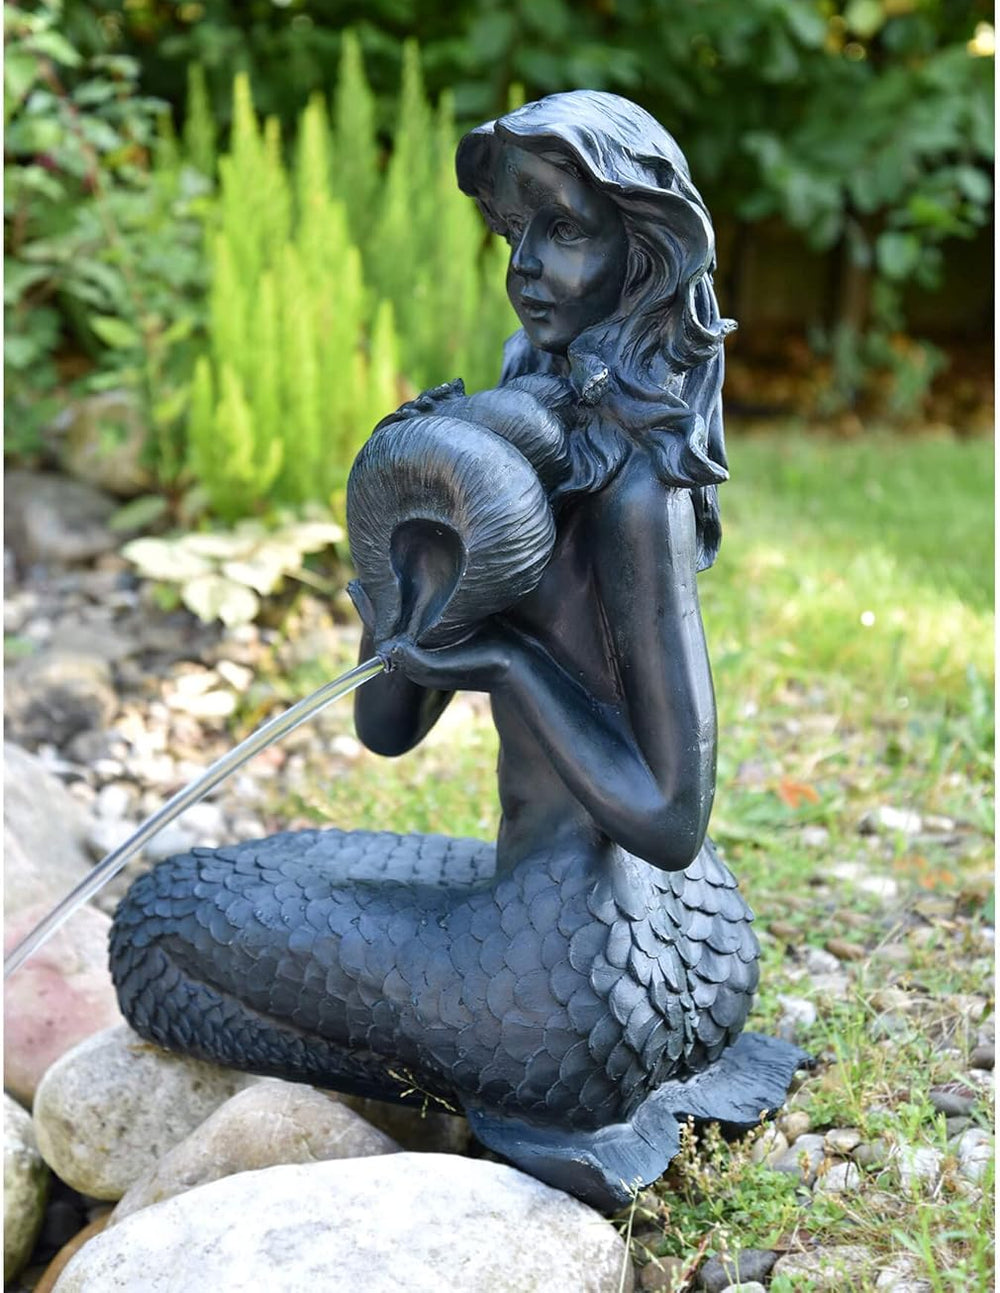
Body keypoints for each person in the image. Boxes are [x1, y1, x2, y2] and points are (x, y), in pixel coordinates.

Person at [110, 92, 806, 1208]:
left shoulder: (639, 492)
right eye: (515, 232)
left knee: (157, 929)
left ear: (640, 255)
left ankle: (495, 1087)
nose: (527, 266)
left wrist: (505, 664)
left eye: (565, 229)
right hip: (692, 943)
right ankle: (584, 1060)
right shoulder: (514, 433)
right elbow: (386, 724)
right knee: (274, 874)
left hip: (564, 976)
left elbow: (672, 817)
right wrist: (403, 538)